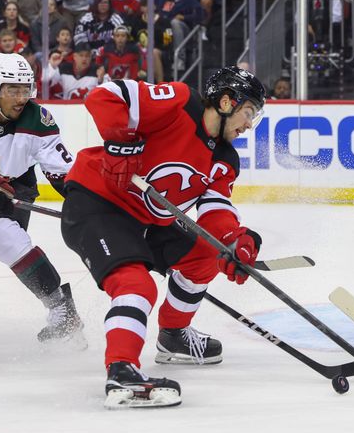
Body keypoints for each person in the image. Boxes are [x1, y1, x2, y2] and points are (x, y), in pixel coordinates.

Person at [60, 66, 267, 409]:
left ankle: (173, 337)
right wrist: (120, 142)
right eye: (249, 113)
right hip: (98, 205)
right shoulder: (180, 103)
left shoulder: (225, 158)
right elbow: (104, 97)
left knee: (206, 254)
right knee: (136, 285)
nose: (249, 125)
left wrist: (234, 242)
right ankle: (122, 371)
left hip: (147, 220)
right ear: (228, 101)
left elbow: (215, 212)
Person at [0, 52, 85, 344]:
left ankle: (62, 310)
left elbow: (64, 175)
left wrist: (86, 203)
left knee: (4, 236)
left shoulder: (39, 119)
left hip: (12, 185)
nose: (22, 97)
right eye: (13, 89)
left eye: (26, 89)